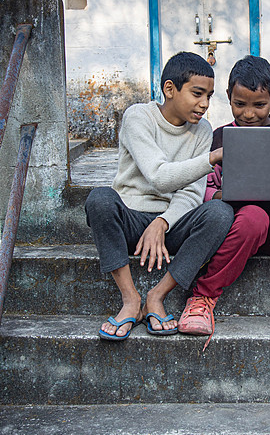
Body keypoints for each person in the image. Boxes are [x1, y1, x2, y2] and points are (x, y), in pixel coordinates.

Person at [177, 55, 270, 346]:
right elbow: (201, 187)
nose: (248, 114)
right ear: (228, 98)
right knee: (253, 216)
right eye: (239, 104)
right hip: (241, 233)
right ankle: (203, 297)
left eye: (259, 105)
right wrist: (218, 195)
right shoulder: (220, 138)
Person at [85, 51, 234, 340]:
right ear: (170, 89)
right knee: (100, 199)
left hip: (171, 225)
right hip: (130, 219)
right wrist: (213, 158)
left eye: (209, 96)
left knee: (220, 212)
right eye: (197, 93)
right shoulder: (138, 117)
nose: (204, 104)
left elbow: (192, 193)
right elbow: (159, 176)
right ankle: (130, 300)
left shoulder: (202, 130)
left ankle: (156, 296)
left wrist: (163, 222)